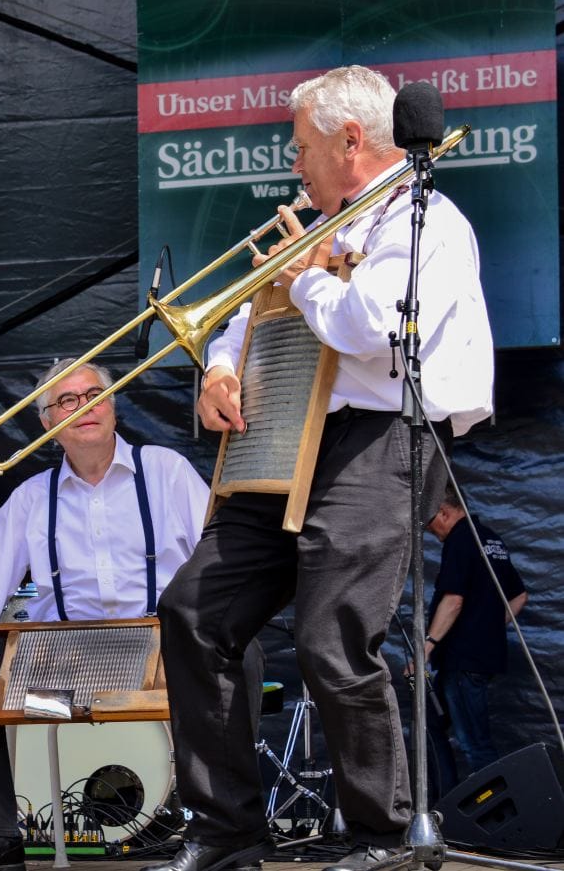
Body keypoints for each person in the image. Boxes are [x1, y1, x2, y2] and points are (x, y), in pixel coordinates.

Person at [153, 65, 494, 871]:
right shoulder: (322, 227)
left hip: (382, 437)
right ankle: (226, 830)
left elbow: (372, 325)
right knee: (194, 612)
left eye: (300, 146)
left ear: (350, 141)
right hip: (286, 441)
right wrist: (220, 370)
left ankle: (384, 834)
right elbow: (247, 319)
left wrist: (303, 275)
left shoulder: (424, 219)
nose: (293, 162)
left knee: (331, 635)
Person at [0, 360, 211, 871]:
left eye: (94, 394)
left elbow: (218, 560)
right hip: (64, 661)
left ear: (113, 407)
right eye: (65, 401)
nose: (84, 407)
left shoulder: (166, 470)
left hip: (162, 647)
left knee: (234, 655)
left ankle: (222, 833)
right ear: (46, 422)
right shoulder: (31, 497)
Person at [419, 485, 527, 793]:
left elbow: (453, 600)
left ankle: (497, 813)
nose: (429, 531)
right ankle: (447, 800)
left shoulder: (460, 539)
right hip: (471, 657)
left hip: (464, 659)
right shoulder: (490, 539)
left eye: (429, 523)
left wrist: (425, 648)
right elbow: (519, 596)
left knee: (475, 744)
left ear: (444, 512)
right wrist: (488, 626)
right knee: (429, 725)